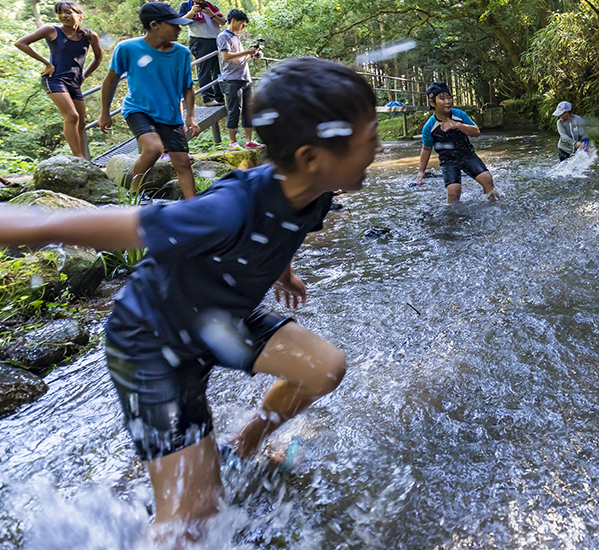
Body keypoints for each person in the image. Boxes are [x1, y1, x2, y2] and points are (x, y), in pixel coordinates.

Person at [0, 57, 381, 545]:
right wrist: (29, 224)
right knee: (194, 518)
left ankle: (241, 445)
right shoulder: (226, 210)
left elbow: (289, 227)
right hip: (151, 342)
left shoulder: (318, 190)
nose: (377, 146)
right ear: (310, 156)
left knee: (324, 367)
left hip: (218, 321)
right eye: (368, 138)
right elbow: (103, 227)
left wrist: (283, 269)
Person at [98, 2, 200, 200]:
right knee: (154, 148)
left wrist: (191, 117)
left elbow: (188, 87)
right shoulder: (127, 48)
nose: (179, 29)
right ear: (155, 25)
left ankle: (194, 205)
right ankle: (136, 194)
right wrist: (104, 113)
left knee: (182, 163)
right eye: (174, 25)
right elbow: (110, 80)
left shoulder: (182, 54)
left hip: (169, 114)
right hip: (138, 108)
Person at [13, 1, 103, 159]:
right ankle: (79, 159)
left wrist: (85, 75)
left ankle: (86, 161)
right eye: (60, 12)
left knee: (81, 123)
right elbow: (20, 43)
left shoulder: (89, 35)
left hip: (74, 82)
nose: (63, 16)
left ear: (79, 15)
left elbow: (98, 57)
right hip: (54, 79)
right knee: (72, 116)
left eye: (68, 12)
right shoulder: (51, 30)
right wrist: (46, 63)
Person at [415, 81, 499, 204]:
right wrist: (421, 172)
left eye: (449, 97)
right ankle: (453, 219)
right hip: (448, 161)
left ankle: (493, 207)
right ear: (432, 102)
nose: (448, 101)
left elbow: (476, 132)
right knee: (454, 192)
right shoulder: (429, 126)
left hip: (467, 155)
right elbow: (426, 149)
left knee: (487, 179)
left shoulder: (459, 115)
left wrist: (458, 125)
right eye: (442, 99)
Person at [217, 9, 260, 149]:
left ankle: (249, 140)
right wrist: (247, 51)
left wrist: (252, 54)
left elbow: (241, 60)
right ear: (233, 20)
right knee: (235, 110)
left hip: (245, 78)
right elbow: (226, 56)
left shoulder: (237, 37)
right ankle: (233, 142)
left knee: (248, 110)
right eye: (242, 24)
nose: (243, 27)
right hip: (232, 79)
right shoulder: (223, 36)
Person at [178, 0, 225, 105]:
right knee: (204, 69)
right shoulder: (186, 5)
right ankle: (207, 98)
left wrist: (211, 14)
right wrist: (192, 12)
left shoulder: (211, 6)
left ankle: (219, 96)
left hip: (216, 40)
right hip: (200, 40)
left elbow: (222, 22)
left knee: (218, 70)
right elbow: (181, 22)